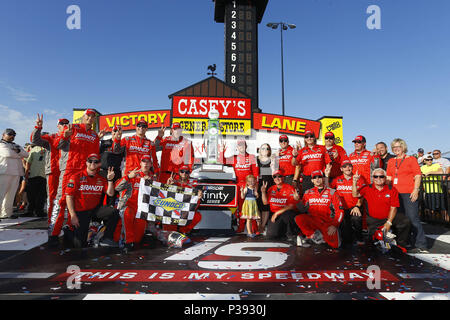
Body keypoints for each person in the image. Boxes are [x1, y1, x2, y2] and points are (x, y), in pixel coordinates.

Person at [49, 109, 106, 247]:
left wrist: (96, 170)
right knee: (62, 201)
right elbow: (57, 145)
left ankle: (70, 228)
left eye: (93, 117)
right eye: (88, 116)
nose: (90, 118)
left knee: (79, 202)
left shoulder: (94, 135)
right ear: (83, 116)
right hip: (69, 170)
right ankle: (54, 233)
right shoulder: (72, 127)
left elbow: (95, 156)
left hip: (85, 172)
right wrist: (64, 136)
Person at [64, 153, 119, 248]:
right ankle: (67, 230)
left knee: (114, 212)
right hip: (81, 211)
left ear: (99, 164)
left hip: (94, 210)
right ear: (86, 162)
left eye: (96, 161)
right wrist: (73, 215)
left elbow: (110, 193)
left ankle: (106, 238)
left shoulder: (101, 179)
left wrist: (110, 180)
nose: (93, 163)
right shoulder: (76, 177)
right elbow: (69, 196)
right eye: (90, 161)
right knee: (80, 244)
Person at [386, 138, 428, 253]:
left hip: (409, 193)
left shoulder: (411, 159)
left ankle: (421, 244)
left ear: (403, 147)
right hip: (395, 194)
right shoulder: (390, 161)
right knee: (400, 220)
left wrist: (416, 190)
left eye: (398, 147)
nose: (396, 149)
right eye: (394, 147)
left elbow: (418, 176)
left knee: (412, 218)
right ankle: (404, 242)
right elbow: (389, 177)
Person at [352, 168, 411, 249]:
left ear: (385, 178)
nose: (378, 179)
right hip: (373, 220)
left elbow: (394, 207)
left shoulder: (391, 189)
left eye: (381, 176)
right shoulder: (367, 188)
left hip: (388, 218)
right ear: (372, 178)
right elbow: (355, 195)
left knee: (405, 221)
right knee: (373, 244)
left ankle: (400, 245)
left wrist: (389, 222)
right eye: (376, 176)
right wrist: (354, 182)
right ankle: (380, 238)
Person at [114, 155, 157, 251]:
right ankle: (127, 242)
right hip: (128, 206)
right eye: (143, 161)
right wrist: (128, 177)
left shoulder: (153, 178)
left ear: (150, 164)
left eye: (148, 162)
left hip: (142, 210)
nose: (145, 163)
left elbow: (158, 195)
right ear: (140, 163)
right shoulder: (133, 174)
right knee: (127, 215)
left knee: (137, 239)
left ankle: (129, 239)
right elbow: (116, 187)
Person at [31, 116, 68, 224]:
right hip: (53, 170)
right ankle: (51, 219)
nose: (64, 125)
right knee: (52, 196)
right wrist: (38, 127)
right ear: (58, 126)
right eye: (62, 123)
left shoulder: (71, 136)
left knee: (67, 195)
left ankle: (62, 218)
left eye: (66, 123)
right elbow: (35, 140)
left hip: (66, 170)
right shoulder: (52, 136)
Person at [295, 170, 344, 249]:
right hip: (314, 221)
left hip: (327, 223)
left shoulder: (332, 192)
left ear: (323, 178)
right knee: (299, 218)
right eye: (315, 177)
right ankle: (312, 235)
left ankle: (318, 237)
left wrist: (334, 225)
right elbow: (302, 210)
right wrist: (297, 200)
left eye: (319, 177)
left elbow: (340, 211)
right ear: (312, 180)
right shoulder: (308, 192)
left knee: (335, 245)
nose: (317, 179)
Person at [220, 138, 259, 233]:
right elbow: (222, 161)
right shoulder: (234, 158)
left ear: (246, 146)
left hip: (249, 185)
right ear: (237, 147)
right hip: (238, 185)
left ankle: (255, 228)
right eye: (240, 145)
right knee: (241, 207)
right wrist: (222, 151)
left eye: (243, 145)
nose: (242, 147)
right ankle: (241, 227)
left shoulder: (252, 157)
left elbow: (256, 174)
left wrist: (255, 188)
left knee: (251, 207)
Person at [326, 159, 366, 246]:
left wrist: (357, 206)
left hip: (354, 207)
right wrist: (326, 176)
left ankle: (359, 237)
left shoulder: (359, 178)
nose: (347, 168)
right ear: (341, 169)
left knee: (356, 218)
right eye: (345, 166)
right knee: (346, 238)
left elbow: (362, 195)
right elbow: (328, 190)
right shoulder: (337, 179)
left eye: (349, 166)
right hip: (341, 209)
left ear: (352, 167)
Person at [261, 169, 301, 241]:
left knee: (288, 216)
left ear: (283, 178)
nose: (277, 178)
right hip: (276, 214)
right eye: (275, 177)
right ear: (273, 179)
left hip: (286, 213)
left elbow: (291, 206)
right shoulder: (271, 189)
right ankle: (282, 231)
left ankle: (291, 234)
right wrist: (263, 192)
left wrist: (277, 213)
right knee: (272, 235)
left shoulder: (290, 188)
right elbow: (265, 203)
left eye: (279, 176)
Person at [165, 164, 203, 235]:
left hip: (185, 210)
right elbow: (164, 197)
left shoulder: (192, 185)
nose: (184, 174)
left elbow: (196, 203)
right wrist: (168, 186)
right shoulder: (173, 182)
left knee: (197, 216)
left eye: (186, 172)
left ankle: (183, 231)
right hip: (173, 209)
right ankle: (169, 233)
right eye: (182, 171)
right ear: (179, 172)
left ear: (189, 173)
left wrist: (199, 196)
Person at [0, 128, 29, 219]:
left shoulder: (16, 145)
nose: (12, 136)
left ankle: (7, 213)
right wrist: (18, 153)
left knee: (11, 194)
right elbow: (7, 154)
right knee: (1, 193)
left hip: (16, 172)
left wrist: (18, 152)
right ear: (3, 134)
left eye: (13, 135)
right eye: (10, 134)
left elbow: (26, 154)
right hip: (4, 172)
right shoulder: (1, 144)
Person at [292, 130, 330, 195]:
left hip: (319, 177)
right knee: (307, 199)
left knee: (321, 198)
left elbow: (328, 163)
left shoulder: (322, 148)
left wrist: (326, 178)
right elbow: (294, 163)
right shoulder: (302, 151)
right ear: (305, 139)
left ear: (314, 138)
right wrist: (294, 156)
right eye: (307, 137)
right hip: (307, 179)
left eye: (311, 136)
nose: (309, 138)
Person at [100, 126, 125, 206]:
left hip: (116, 173)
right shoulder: (104, 142)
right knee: (100, 195)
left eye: (118, 131)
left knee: (112, 196)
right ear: (111, 132)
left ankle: (110, 213)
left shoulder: (123, 145)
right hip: (103, 172)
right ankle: (97, 216)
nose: (116, 133)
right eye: (115, 131)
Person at [420, 154, 447, 223]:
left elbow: (441, 172)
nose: (430, 161)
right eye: (428, 160)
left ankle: (445, 222)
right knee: (430, 208)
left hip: (438, 190)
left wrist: (430, 173)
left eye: (431, 159)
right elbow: (419, 175)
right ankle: (432, 221)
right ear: (424, 161)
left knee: (441, 208)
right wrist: (422, 175)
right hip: (428, 191)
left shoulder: (436, 165)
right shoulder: (422, 167)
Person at [23, 144, 47, 217]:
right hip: (33, 175)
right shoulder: (34, 149)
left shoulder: (50, 149)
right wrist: (26, 173)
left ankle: (40, 211)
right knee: (31, 195)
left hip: (45, 175)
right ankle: (30, 211)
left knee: (42, 195)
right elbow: (28, 162)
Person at [256, 143, 274, 234]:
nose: (265, 150)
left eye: (267, 148)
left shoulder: (273, 160)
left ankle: (263, 226)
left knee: (265, 206)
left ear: (269, 150)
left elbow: (274, 174)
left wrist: (273, 167)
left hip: (269, 185)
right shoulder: (256, 160)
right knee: (257, 206)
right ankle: (259, 225)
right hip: (257, 185)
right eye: (263, 148)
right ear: (260, 150)